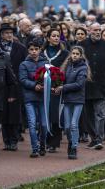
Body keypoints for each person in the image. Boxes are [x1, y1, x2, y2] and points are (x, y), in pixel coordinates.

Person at [79, 22, 105, 149]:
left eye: (99, 30)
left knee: (100, 113)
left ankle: (99, 139)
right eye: (95, 30)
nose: (98, 32)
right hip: (87, 85)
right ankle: (93, 137)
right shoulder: (82, 45)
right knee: (88, 114)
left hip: (101, 85)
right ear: (89, 30)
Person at [54, 46, 90, 159]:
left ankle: (74, 147)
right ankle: (70, 142)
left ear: (81, 55)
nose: (74, 55)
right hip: (67, 99)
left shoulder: (83, 68)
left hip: (78, 100)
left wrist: (63, 87)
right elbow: (62, 79)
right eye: (73, 53)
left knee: (74, 125)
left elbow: (79, 84)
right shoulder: (67, 66)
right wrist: (55, 85)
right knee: (67, 126)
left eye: (77, 54)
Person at [41, 23, 70, 153]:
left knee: (55, 115)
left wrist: (61, 84)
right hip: (42, 88)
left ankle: (54, 142)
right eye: (53, 36)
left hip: (57, 88)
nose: (56, 38)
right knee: (43, 114)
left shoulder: (65, 54)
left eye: (58, 36)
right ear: (48, 38)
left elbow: (67, 70)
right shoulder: (42, 53)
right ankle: (43, 140)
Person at [0, 23, 27, 151]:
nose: (9, 35)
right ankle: (6, 140)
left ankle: (14, 139)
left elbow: (24, 66)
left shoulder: (20, 48)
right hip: (1, 85)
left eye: (11, 33)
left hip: (16, 85)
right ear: (1, 35)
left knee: (15, 113)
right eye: (6, 33)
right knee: (3, 114)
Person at [19, 39, 49, 157]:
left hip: (43, 97)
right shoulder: (24, 64)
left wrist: (48, 84)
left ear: (40, 50)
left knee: (44, 124)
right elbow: (22, 79)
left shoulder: (46, 63)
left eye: (36, 49)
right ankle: (34, 148)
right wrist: (34, 85)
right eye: (31, 49)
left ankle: (42, 145)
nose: (34, 52)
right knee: (32, 123)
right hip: (30, 97)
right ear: (28, 50)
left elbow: (51, 76)